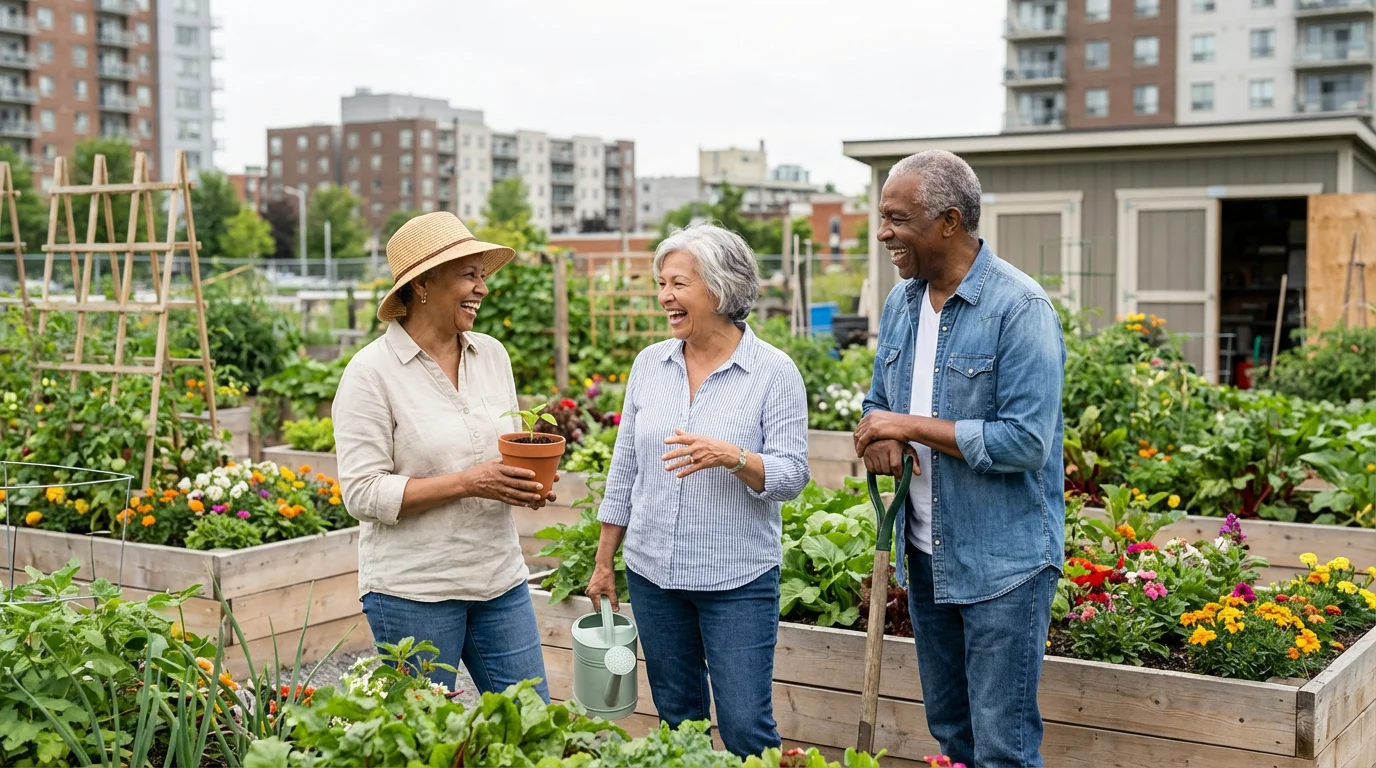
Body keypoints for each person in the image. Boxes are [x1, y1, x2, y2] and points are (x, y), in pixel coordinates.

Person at [852, 150, 1066, 768]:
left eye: (897, 218)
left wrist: (910, 424)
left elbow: (1028, 442)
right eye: (882, 216)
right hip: (927, 553)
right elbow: (879, 403)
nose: (883, 232)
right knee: (952, 735)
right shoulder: (901, 306)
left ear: (949, 221)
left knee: (1004, 748)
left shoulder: (1019, 310)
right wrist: (883, 434)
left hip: (1004, 564)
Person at [585, 222, 810, 757]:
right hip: (654, 575)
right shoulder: (650, 365)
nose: (665, 296)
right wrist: (603, 562)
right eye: (662, 283)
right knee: (678, 723)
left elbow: (793, 476)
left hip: (735, 578)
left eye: (678, 284)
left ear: (720, 288)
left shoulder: (773, 373)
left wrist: (732, 457)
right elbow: (625, 470)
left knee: (745, 725)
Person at [333, 211, 557, 700]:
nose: (483, 288)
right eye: (469, 275)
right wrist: (469, 482)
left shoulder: (492, 355)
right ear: (423, 285)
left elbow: (505, 450)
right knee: (428, 740)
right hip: (415, 591)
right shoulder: (371, 373)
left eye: (482, 275)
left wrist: (523, 484)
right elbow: (362, 493)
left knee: (533, 724)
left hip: (499, 578)